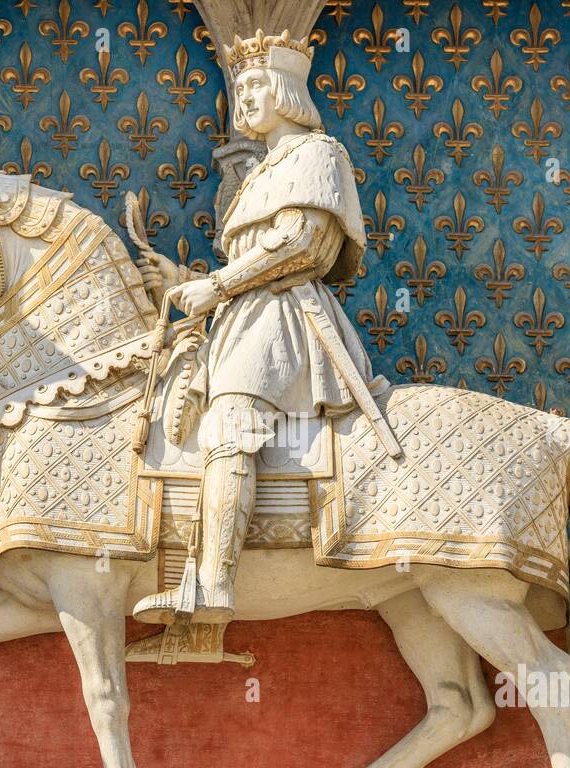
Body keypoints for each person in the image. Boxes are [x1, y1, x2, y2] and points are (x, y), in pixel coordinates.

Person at [132, 30, 391, 625]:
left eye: (254, 86)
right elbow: (252, 253)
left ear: (284, 90)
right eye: (239, 88)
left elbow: (302, 243)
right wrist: (189, 278)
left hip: (286, 315)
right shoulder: (264, 169)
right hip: (246, 313)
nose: (244, 99)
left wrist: (217, 286)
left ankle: (214, 582)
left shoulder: (319, 155)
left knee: (230, 418)